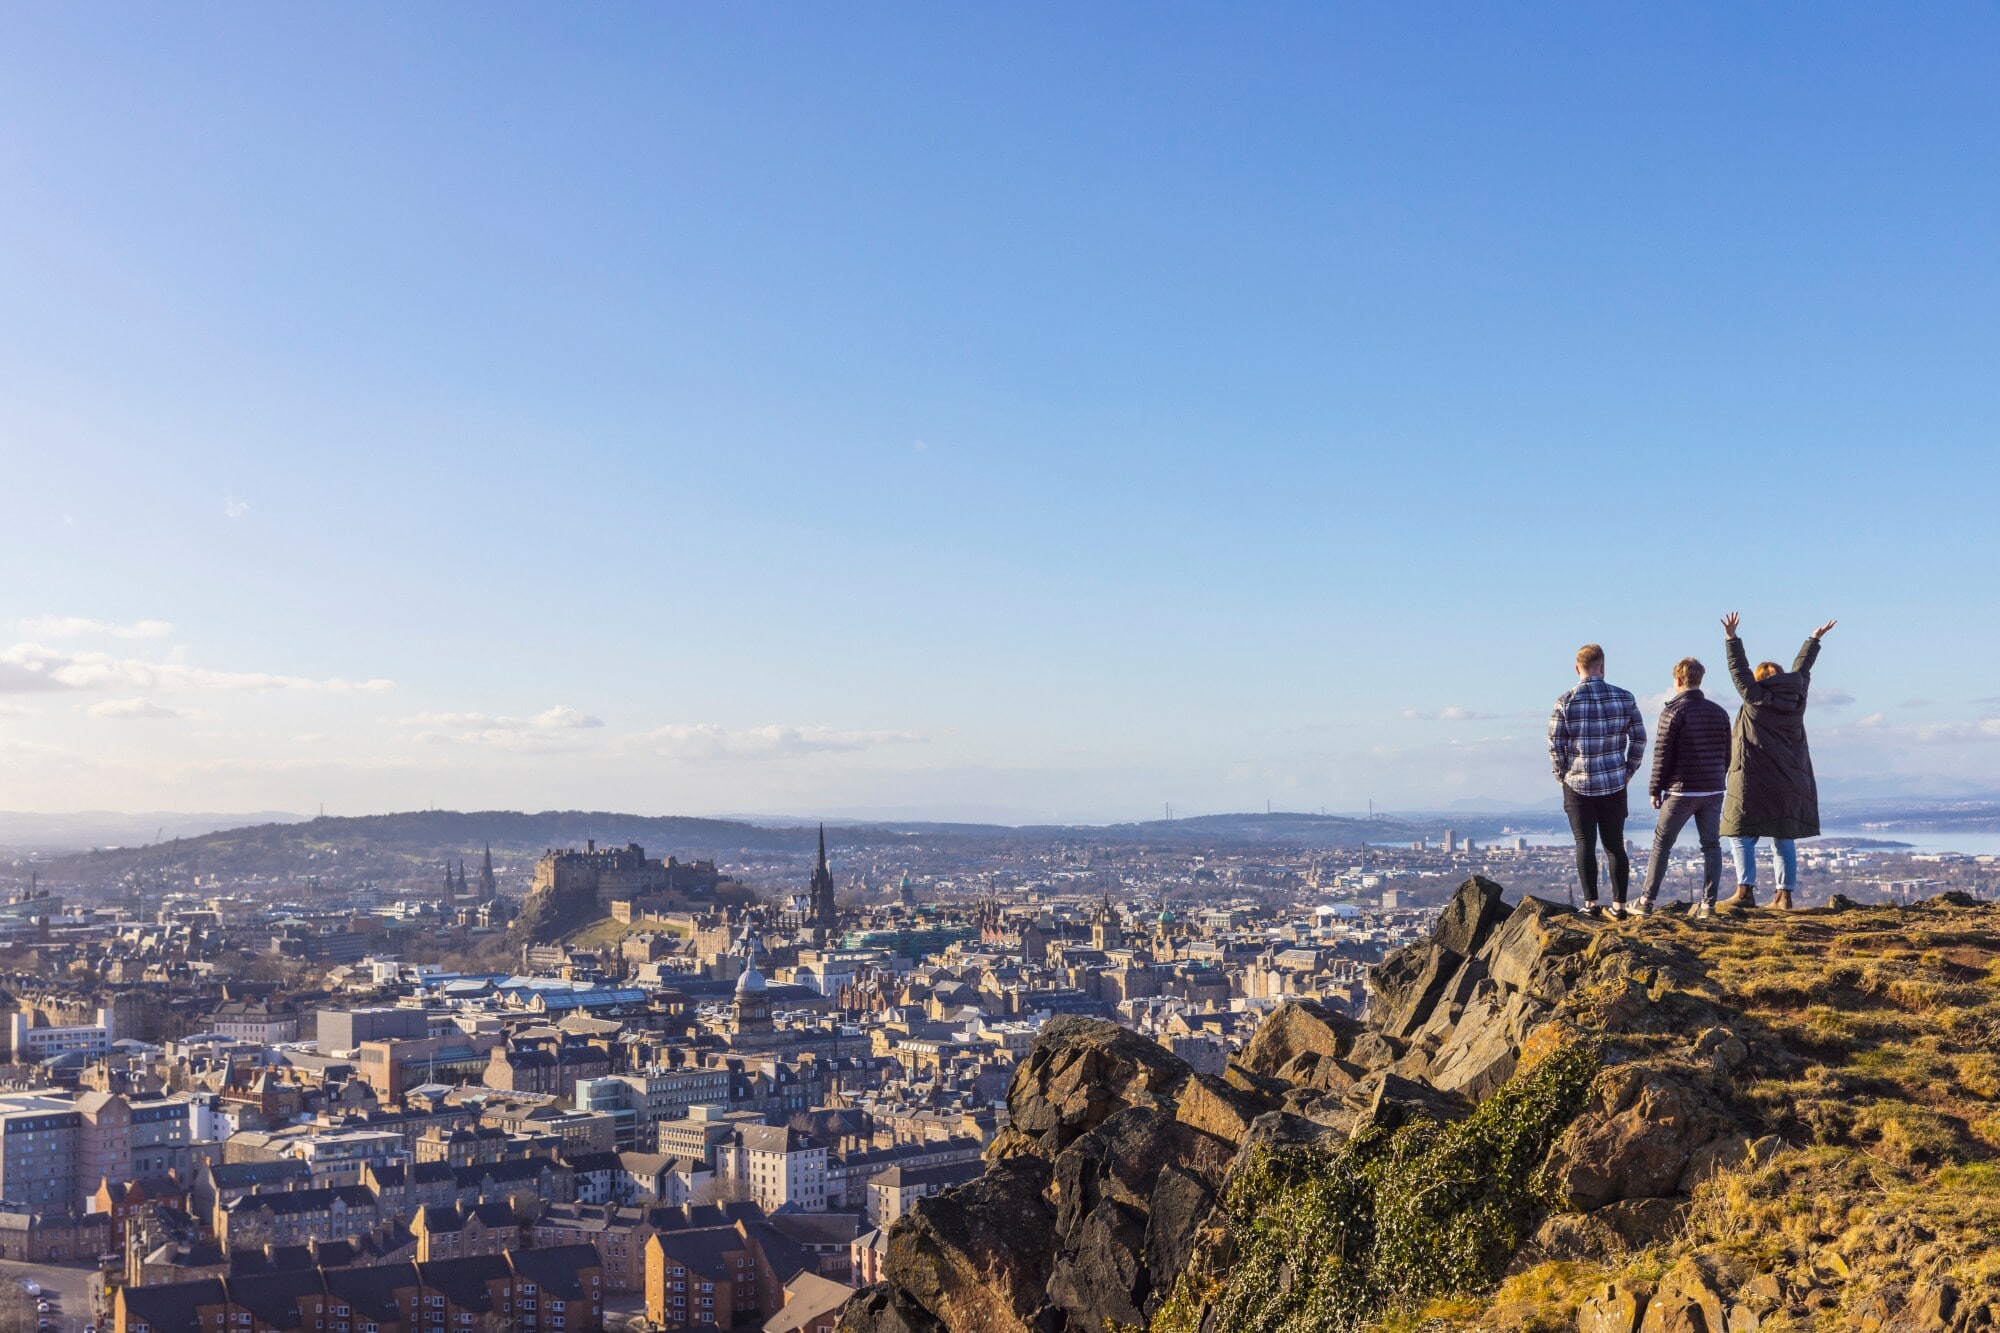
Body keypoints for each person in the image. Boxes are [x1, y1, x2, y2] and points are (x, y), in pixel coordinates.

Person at [1717, 612, 1835, 911]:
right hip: (1790, 779)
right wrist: (1813, 640)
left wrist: (1731, 638)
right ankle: (1784, 896)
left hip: (1753, 777)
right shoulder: (1797, 699)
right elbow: (1802, 671)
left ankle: (1744, 891)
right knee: (1784, 838)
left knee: (1739, 832)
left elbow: (1738, 670)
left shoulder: (1755, 698)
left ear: (1758, 681)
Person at [1548, 643, 1647, 919]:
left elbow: (1555, 745)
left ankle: (1590, 905)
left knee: (1584, 843)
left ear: (1577, 668)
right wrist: (1628, 770)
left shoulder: (1565, 701)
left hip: (1577, 785)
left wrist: (1562, 776)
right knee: (1615, 844)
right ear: (1602, 666)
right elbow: (1639, 738)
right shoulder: (1625, 698)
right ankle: (1619, 907)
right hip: (1615, 783)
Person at [1635, 657, 1732, 918]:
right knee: (1711, 846)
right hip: (1712, 790)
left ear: (1677, 680)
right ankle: (1708, 905)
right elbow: (1728, 755)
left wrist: (1655, 790)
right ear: (1700, 679)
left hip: (1681, 790)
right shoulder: (1719, 712)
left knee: (1662, 845)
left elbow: (1662, 755)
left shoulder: (1673, 712)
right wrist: (1717, 778)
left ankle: (1645, 902)